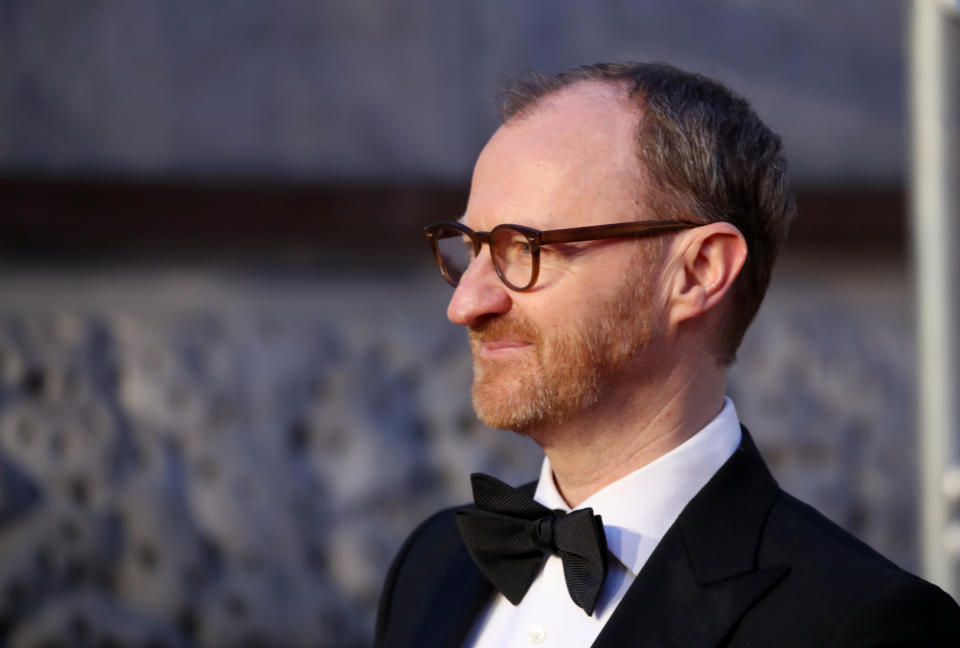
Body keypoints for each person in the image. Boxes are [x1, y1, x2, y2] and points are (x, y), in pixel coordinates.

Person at [375, 62, 960, 647]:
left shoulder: (857, 625)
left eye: (523, 248)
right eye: (471, 248)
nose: (467, 304)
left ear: (698, 273)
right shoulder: (433, 566)